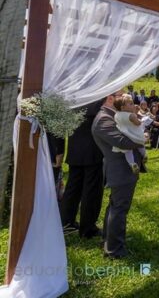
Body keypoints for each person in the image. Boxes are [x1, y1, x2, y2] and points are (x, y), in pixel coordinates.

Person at [92, 92, 143, 259]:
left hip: (122, 168)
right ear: (110, 98)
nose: (122, 98)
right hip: (120, 168)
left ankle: (108, 240)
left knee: (116, 206)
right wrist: (144, 139)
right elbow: (123, 142)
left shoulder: (110, 116)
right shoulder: (103, 119)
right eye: (118, 95)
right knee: (119, 208)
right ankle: (115, 250)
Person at [60, 100, 104, 237]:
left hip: (75, 150)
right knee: (91, 192)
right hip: (92, 151)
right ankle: (88, 228)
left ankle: (66, 222)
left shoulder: (76, 99)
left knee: (72, 189)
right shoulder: (97, 101)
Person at [113, 94, 148, 168]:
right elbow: (138, 123)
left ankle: (132, 163)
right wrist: (141, 121)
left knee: (127, 151)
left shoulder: (116, 115)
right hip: (134, 134)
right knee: (141, 145)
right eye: (131, 104)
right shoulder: (131, 115)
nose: (134, 105)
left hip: (124, 135)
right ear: (123, 107)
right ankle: (144, 155)